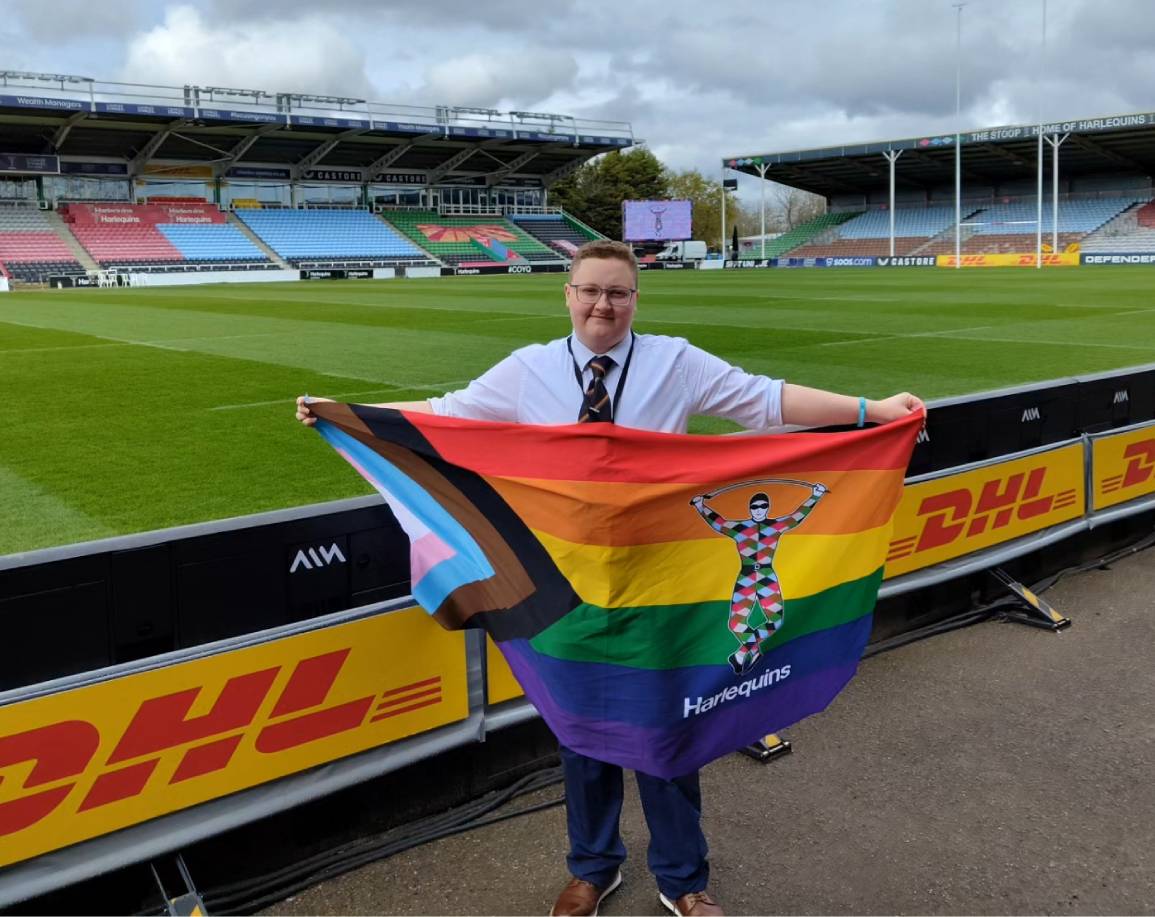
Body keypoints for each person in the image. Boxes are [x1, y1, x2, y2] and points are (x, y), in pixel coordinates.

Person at [297, 239, 924, 917]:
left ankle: (683, 877)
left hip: (659, 583)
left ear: (634, 299)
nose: (603, 304)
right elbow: (447, 414)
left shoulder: (673, 361)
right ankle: (592, 869)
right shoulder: (527, 370)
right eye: (590, 290)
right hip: (567, 587)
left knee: (670, 721)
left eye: (618, 292)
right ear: (566, 294)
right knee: (581, 730)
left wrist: (872, 411)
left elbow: (762, 402)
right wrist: (350, 417)